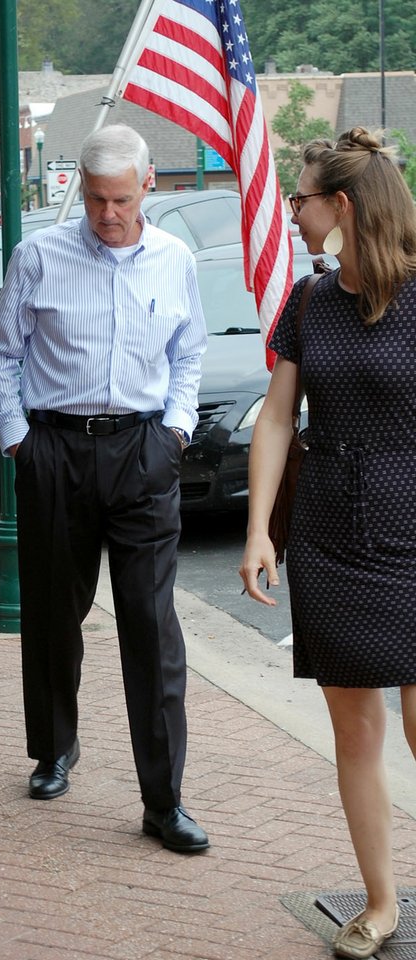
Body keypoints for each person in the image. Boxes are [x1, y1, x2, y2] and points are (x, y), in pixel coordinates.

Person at [0, 124, 210, 853]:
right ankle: (53, 750)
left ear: (146, 187)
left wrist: (173, 430)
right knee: (52, 613)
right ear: (80, 185)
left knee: (151, 626)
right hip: (55, 451)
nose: (108, 214)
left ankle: (163, 799)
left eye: (120, 199)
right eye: (97, 198)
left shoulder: (174, 259)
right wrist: (19, 442)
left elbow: (189, 353)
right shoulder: (38, 257)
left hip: (142, 453)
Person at [239, 127, 416, 959]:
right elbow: (277, 419)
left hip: (413, 530)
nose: (294, 212)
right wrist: (257, 534)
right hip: (331, 538)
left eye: (301, 199)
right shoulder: (309, 302)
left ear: (341, 205)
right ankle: (380, 906)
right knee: (356, 733)